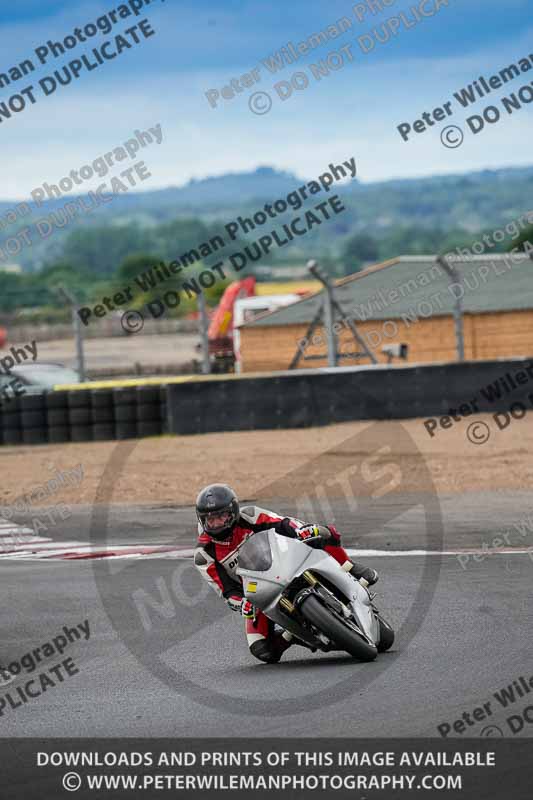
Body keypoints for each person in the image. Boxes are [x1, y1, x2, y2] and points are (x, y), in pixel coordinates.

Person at [193, 483, 378, 664]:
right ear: (202, 520)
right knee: (262, 650)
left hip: (285, 561)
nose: (216, 523)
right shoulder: (204, 555)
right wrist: (242, 603)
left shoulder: (249, 516)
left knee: (322, 532)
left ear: (233, 512)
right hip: (259, 593)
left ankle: (350, 567)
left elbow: (283, 523)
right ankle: (293, 635)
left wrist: (300, 530)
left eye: (221, 516)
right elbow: (226, 591)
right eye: (210, 520)